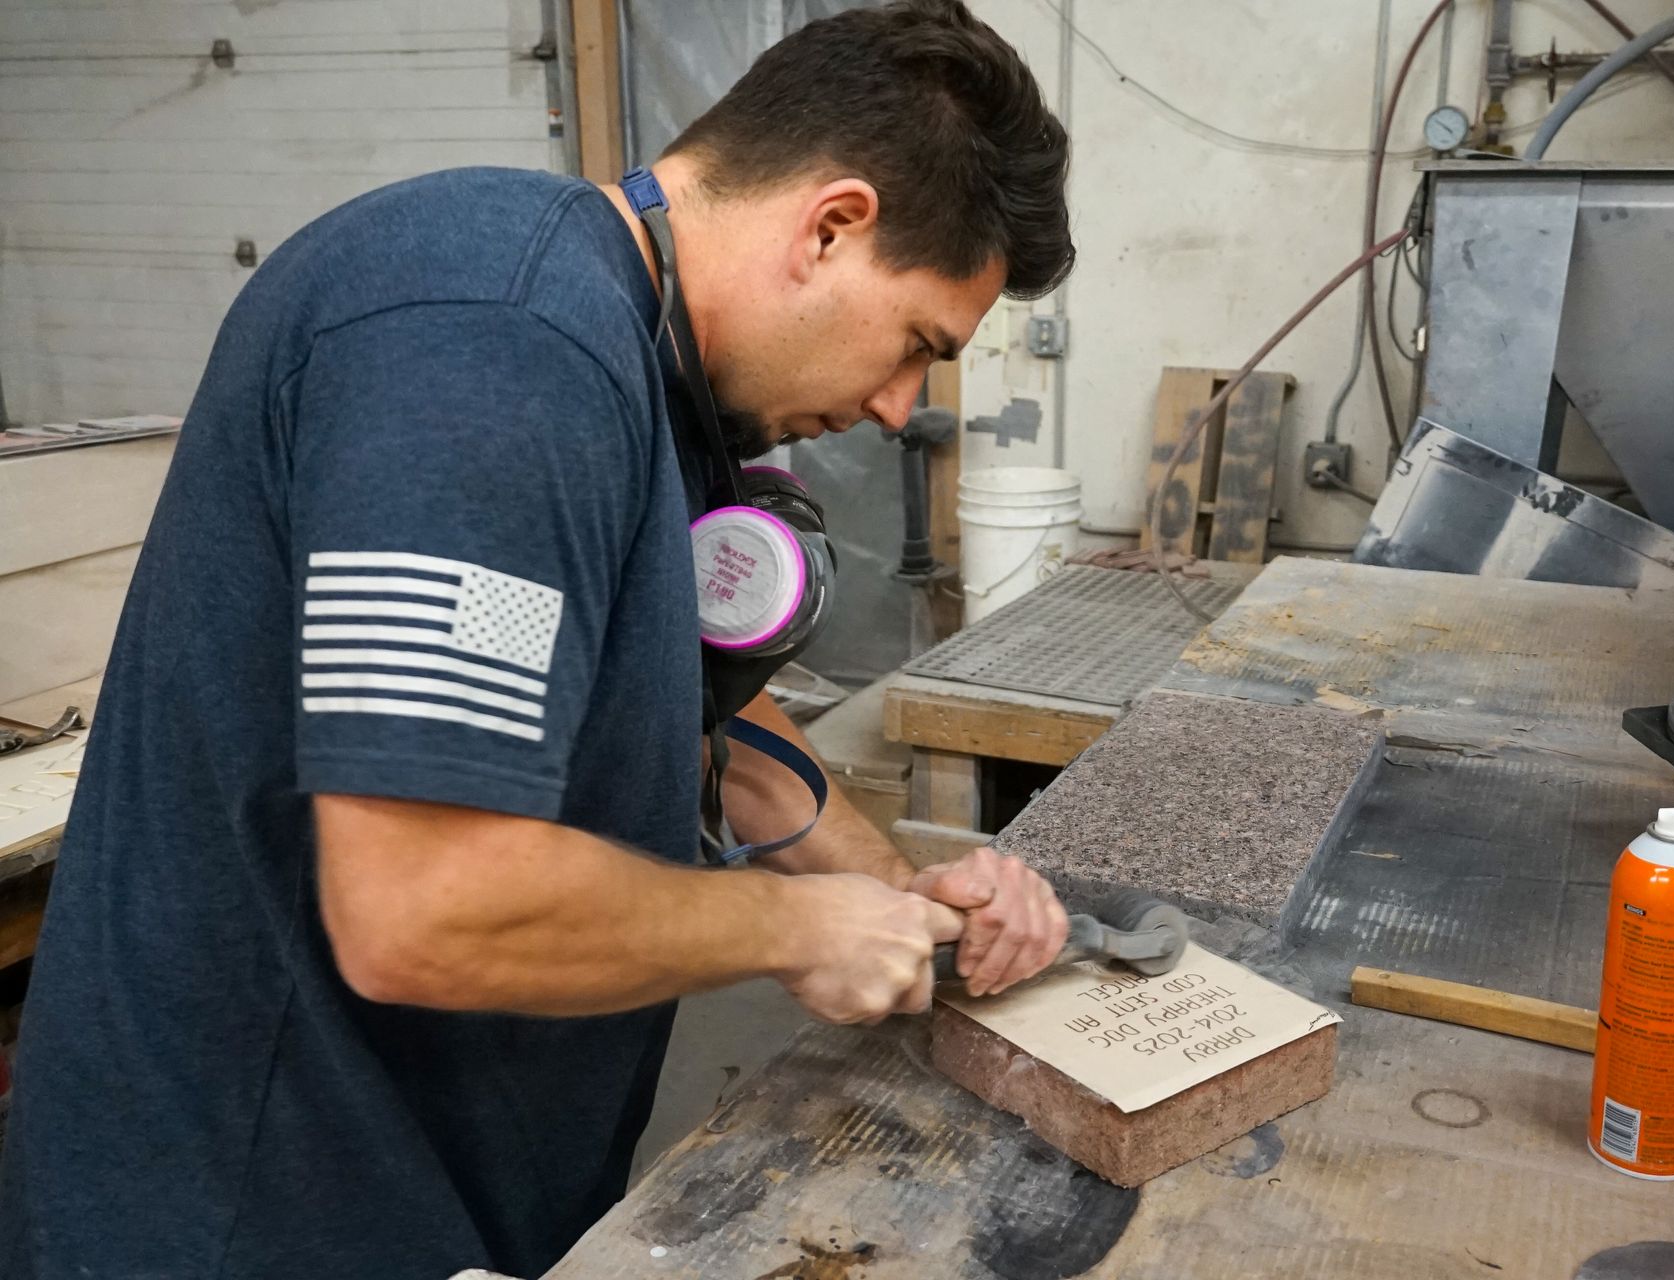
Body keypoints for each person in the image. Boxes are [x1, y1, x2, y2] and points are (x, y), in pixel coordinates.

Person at [0, 2, 1075, 1275]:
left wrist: (889, 889)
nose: (900, 406)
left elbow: (677, 691)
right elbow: (422, 908)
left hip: (433, 1167)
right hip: (248, 1199)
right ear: (832, 224)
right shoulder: (492, 340)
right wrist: (797, 929)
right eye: (917, 346)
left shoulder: (635, 357)